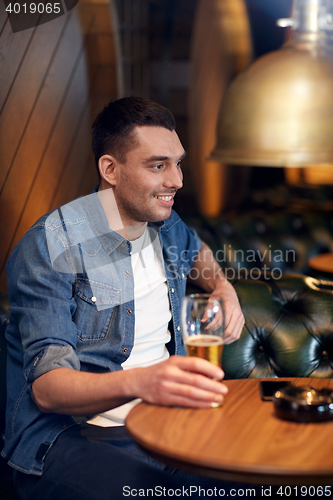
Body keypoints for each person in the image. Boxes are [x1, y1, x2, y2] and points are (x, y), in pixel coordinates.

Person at [2, 97, 246, 500]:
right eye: (158, 165)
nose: (177, 180)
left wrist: (224, 288)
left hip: (166, 425)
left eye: (178, 163)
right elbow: (47, 389)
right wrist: (145, 382)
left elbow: (197, 252)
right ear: (110, 169)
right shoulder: (51, 245)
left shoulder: (162, 222)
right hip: (74, 438)